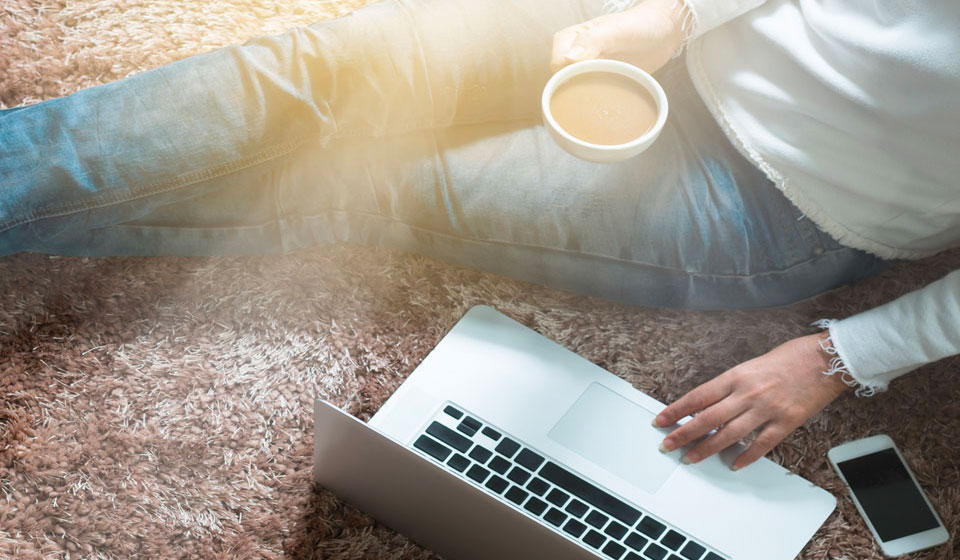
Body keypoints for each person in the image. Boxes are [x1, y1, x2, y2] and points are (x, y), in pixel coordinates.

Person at [0, 0, 957, 471]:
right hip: (699, 35)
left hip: (772, 202)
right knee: (322, 70)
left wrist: (843, 353)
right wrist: (676, 12)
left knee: (368, 175)